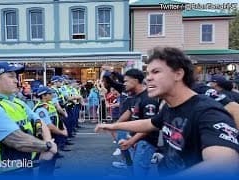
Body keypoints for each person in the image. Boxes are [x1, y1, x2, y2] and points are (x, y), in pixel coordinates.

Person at [95, 47, 239, 176]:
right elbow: (149, 123)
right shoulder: (170, 108)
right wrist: (113, 126)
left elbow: (224, 164)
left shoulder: (207, 111)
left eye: (156, 72)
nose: (149, 78)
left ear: (178, 74)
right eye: (148, 73)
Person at [0, 62, 57, 175]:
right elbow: (16, 140)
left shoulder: (16, 102)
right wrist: (47, 147)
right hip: (0, 173)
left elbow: (39, 121)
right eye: (11, 76)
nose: (16, 80)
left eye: (15, 76)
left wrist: (47, 141)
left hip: (23, 167)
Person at [33, 86, 69, 152]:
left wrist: (62, 127)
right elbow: (48, 126)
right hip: (46, 135)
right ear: (44, 96)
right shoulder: (41, 109)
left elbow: (56, 117)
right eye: (49, 94)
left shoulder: (50, 104)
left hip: (53, 133)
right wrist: (62, 132)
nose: (52, 95)